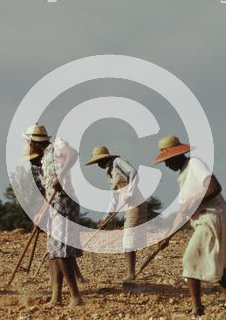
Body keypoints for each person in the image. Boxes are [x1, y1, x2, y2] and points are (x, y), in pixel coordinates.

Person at [153, 135, 226, 316]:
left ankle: (197, 308)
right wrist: (168, 236)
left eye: (168, 160)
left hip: (212, 217)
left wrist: (194, 201)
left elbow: (215, 187)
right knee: (218, 262)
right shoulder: (183, 175)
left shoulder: (194, 164)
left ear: (178, 155)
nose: (167, 165)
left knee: (189, 259)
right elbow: (184, 212)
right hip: (206, 219)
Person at [22, 124, 84, 307]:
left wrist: (61, 175)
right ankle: (56, 297)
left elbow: (73, 154)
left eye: (28, 142)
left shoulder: (56, 146)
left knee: (61, 251)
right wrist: (40, 213)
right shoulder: (43, 163)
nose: (28, 146)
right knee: (53, 252)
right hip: (54, 204)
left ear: (34, 142)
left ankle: (75, 297)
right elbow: (49, 193)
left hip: (65, 202)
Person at [85, 146, 148, 281]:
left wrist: (130, 193)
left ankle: (131, 274)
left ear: (105, 158)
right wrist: (105, 217)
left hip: (135, 203)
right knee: (128, 239)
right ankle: (131, 272)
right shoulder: (109, 173)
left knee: (128, 238)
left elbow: (134, 173)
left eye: (99, 161)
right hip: (128, 206)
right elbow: (114, 198)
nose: (98, 165)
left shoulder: (117, 162)